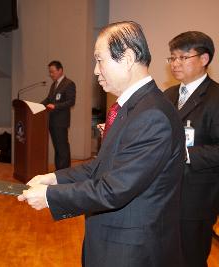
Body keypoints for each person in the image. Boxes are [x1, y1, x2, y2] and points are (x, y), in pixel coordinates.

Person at [18, 21, 185, 267]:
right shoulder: (132, 107)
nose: (95, 71)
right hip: (112, 240)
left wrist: (51, 196)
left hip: (132, 250)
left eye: (99, 60)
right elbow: (101, 166)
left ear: (127, 57)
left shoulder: (152, 115)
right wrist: (53, 179)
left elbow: (114, 189)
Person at [163, 31, 219, 267]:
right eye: (172, 58)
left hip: (197, 198)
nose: (175, 64)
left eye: (183, 57)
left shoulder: (216, 97)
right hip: (165, 195)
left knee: (191, 259)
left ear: (204, 59)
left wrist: (185, 154)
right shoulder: (168, 94)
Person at [41, 61, 76, 170]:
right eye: (50, 72)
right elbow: (49, 99)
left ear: (60, 70)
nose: (51, 74)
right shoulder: (54, 84)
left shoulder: (69, 83)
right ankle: (58, 171)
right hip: (52, 121)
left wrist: (55, 106)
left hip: (61, 122)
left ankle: (65, 172)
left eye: (52, 72)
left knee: (62, 148)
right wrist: (38, 106)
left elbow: (71, 101)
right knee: (57, 148)